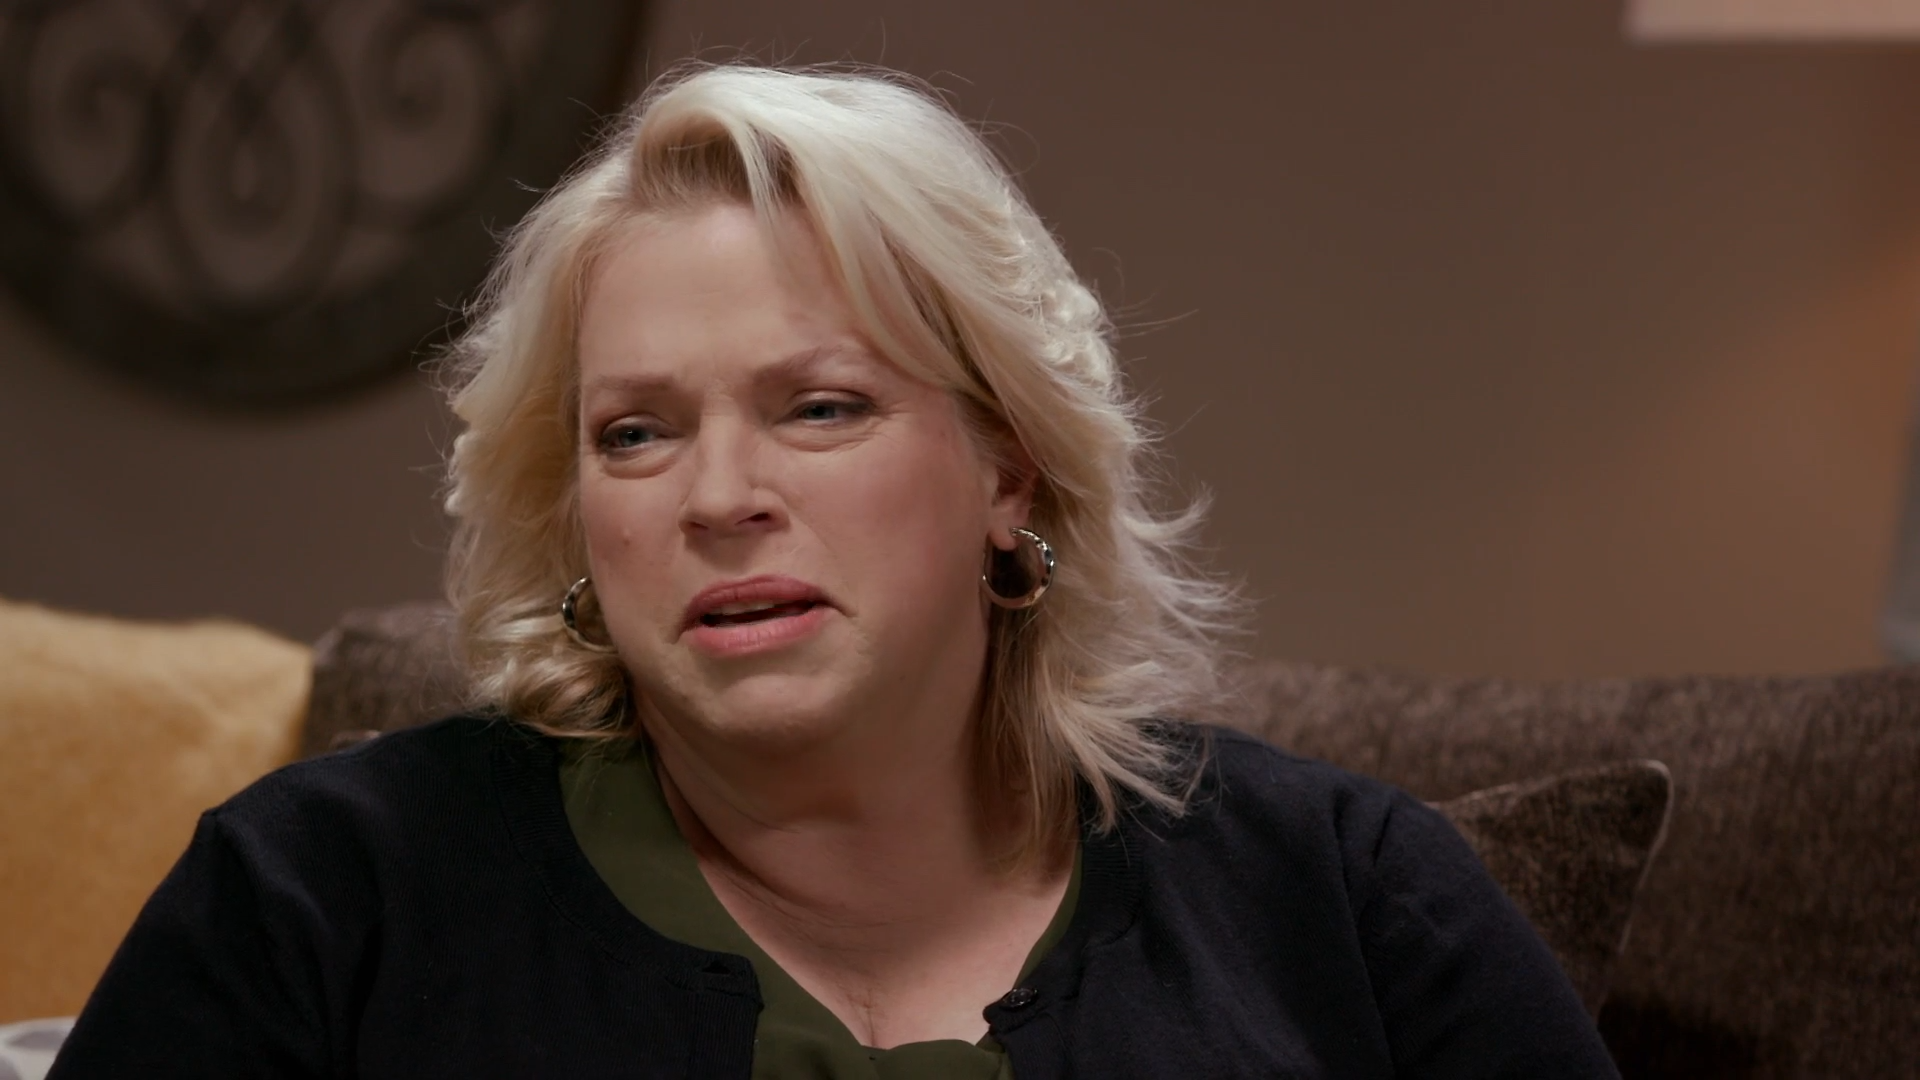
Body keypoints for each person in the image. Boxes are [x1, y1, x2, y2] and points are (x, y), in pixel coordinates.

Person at [49, 64, 1619, 1079]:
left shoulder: (1348, 898)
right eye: (636, 434)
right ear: (575, 513)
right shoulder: (318, 901)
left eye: (820, 408)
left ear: (1008, 468)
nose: (721, 498)